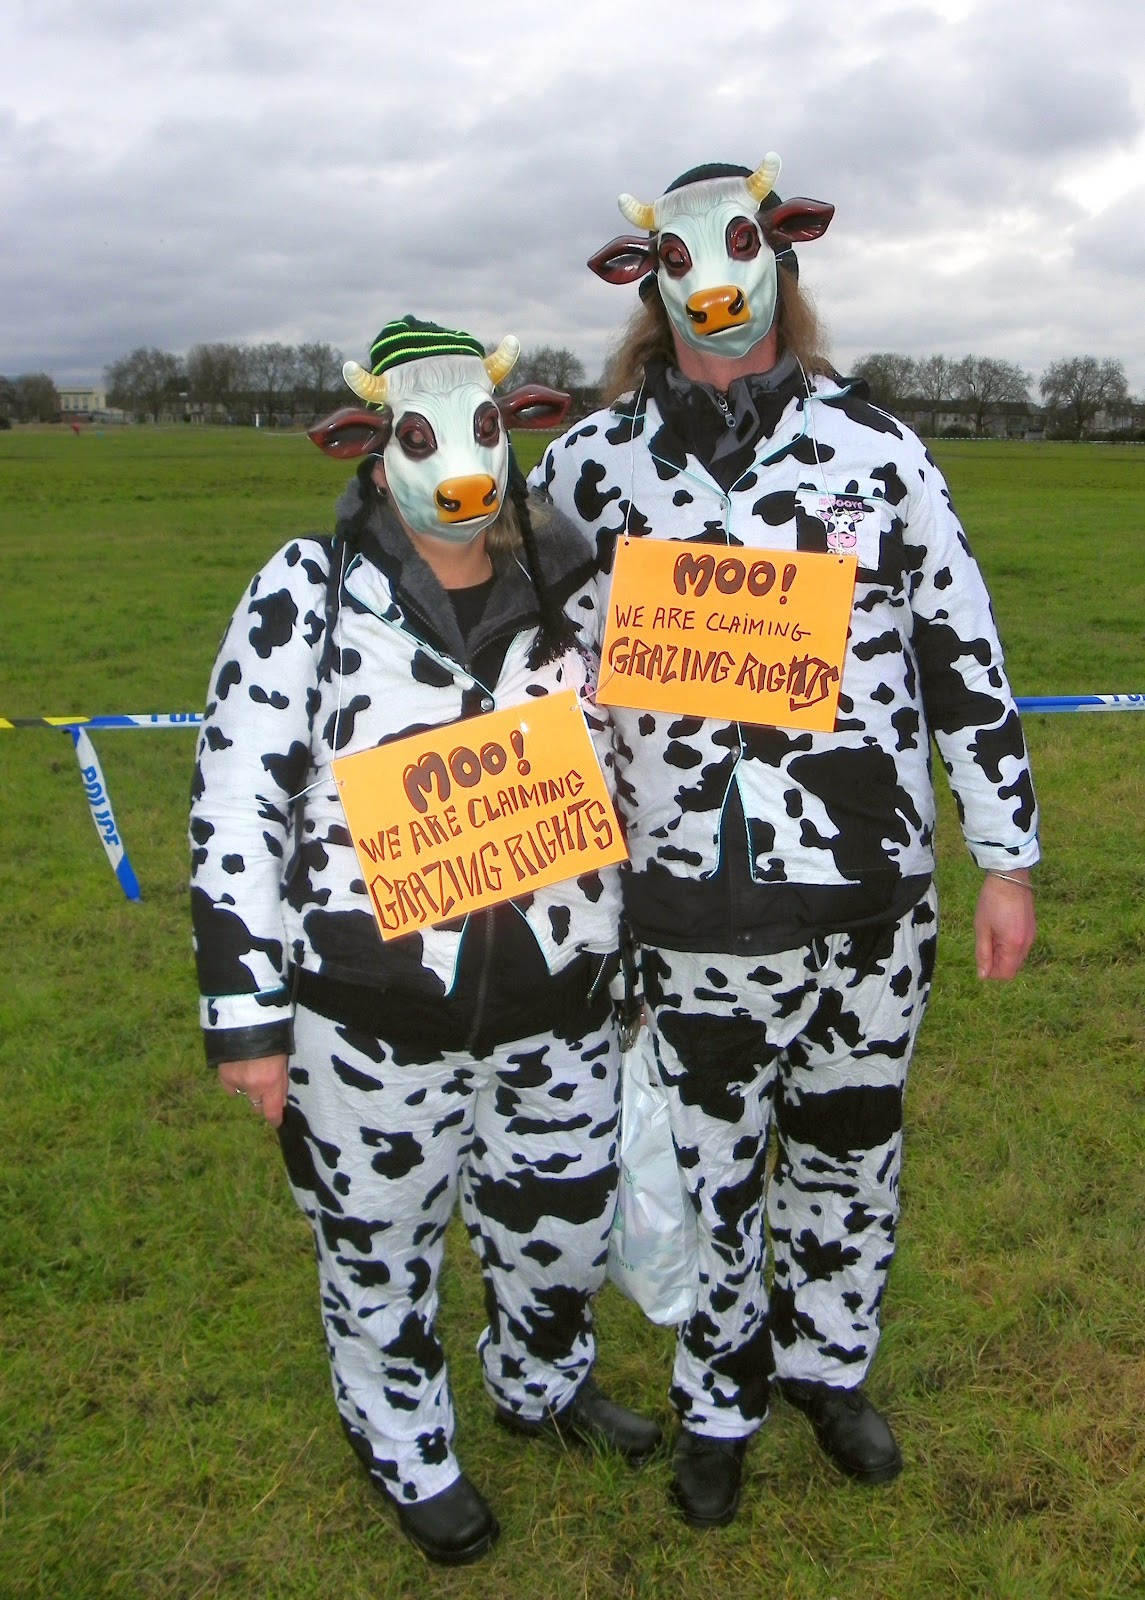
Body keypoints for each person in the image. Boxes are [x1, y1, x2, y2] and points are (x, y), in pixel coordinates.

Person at [531, 153, 1039, 1527]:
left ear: (780, 259)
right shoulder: (585, 469)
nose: (717, 290)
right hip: (687, 899)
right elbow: (531, 683)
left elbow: (961, 649)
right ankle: (719, 1395)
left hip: (868, 894)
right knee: (707, 1166)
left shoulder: (877, 451)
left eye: (742, 251)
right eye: (680, 264)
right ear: (645, 283)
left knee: (850, 1141)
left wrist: (1006, 855)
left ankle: (829, 1366)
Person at [189, 316, 660, 1567]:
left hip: (557, 993)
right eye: (422, 435)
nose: (460, 464)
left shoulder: (573, 578)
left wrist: (643, 940)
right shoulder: (310, 588)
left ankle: (542, 1382)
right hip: (371, 1009)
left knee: (557, 1218)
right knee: (378, 1241)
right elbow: (237, 793)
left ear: (515, 429)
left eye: (484, 428)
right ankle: (400, 1435)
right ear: (374, 447)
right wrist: (248, 1017)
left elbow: (634, 754)